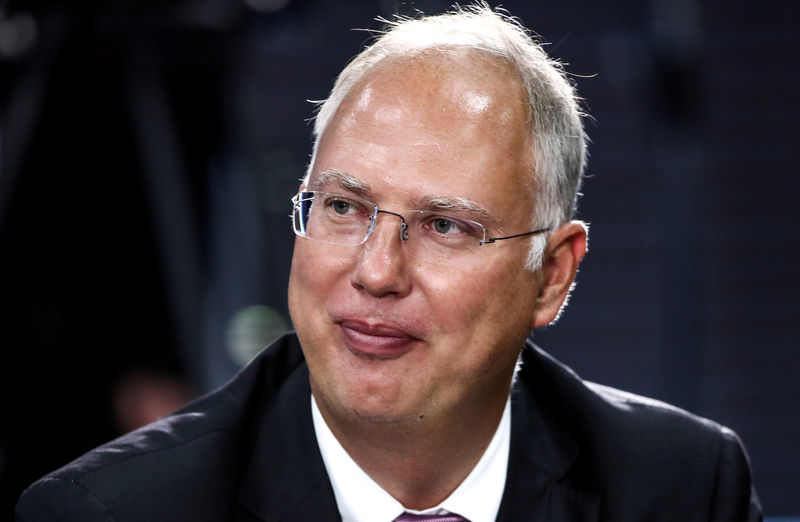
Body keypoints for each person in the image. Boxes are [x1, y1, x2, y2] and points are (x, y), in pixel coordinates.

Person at [16, 4, 762, 521]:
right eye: (344, 208)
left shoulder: (682, 490)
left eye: (444, 225)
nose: (376, 273)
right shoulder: (113, 512)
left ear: (554, 274)